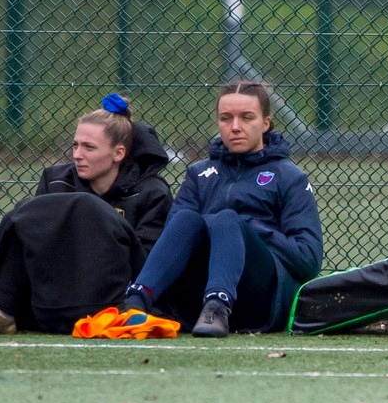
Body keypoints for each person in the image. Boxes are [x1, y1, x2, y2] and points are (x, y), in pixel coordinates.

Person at [122, 80, 322, 337]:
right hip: (195, 297)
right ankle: (136, 302)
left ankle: (218, 306)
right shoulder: (199, 174)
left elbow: (308, 259)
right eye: (226, 118)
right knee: (186, 219)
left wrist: (248, 227)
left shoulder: (289, 177)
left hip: (260, 302)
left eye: (246, 117)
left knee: (227, 220)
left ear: (265, 123)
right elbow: (174, 239)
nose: (235, 127)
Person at [0, 94, 173, 335]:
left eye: (89, 147)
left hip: (113, 297)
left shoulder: (152, 193)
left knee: (86, 208)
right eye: (75, 145)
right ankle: (2, 311)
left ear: (118, 153)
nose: (77, 155)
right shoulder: (55, 180)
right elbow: (36, 243)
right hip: (54, 289)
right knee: (23, 215)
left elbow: (147, 262)